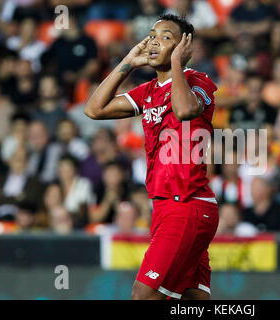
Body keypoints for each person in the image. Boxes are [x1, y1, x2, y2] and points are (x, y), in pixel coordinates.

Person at [84, 15, 219, 300]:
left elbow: (184, 110)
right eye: (152, 35)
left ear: (184, 47)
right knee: (193, 299)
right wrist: (129, 64)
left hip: (188, 205)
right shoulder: (147, 92)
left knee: (142, 295)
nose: (155, 41)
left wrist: (176, 65)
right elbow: (94, 109)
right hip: (163, 207)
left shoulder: (198, 81)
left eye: (166, 37)